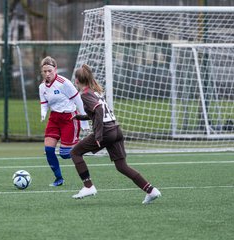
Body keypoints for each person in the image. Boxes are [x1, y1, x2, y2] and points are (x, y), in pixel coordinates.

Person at [71, 64, 161, 204]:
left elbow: (100, 110)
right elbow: (98, 113)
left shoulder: (86, 94)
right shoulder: (96, 92)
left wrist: (99, 135)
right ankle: (151, 190)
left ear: (76, 81)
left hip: (106, 132)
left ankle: (88, 186)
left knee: (75, 153)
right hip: (115, 129)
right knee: (122, 166)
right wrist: (81, 117)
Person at [39, 56, 89, 187]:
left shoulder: (64, 83)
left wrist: (84, 121)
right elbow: (44, 103)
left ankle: (82, 148)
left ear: (55, 69)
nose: (47, 74)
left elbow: (78, 100)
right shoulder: (42, 87)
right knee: (49, 150)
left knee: (65, 154)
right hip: (54, 118)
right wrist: (43, 113)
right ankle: (59, 179)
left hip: (69, 118)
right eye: (44, 71)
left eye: (49, 71)